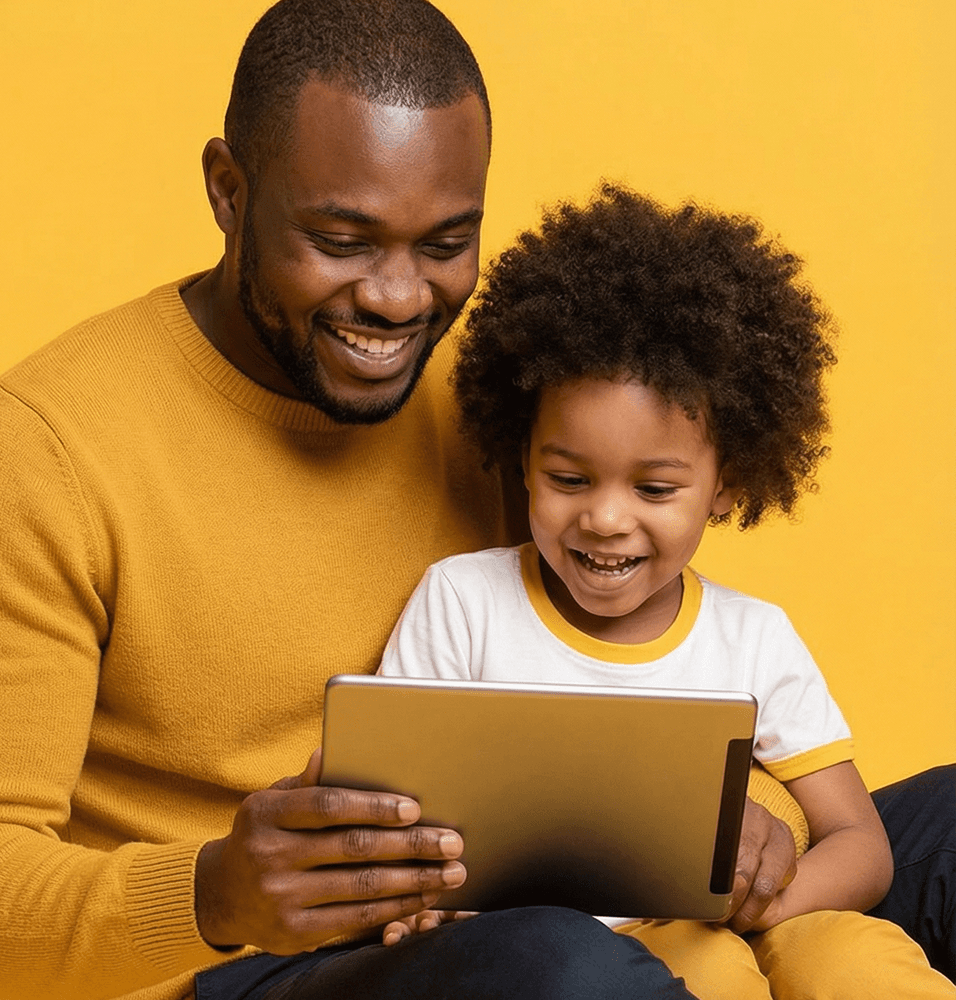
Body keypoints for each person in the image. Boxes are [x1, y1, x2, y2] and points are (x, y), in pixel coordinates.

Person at [0, 0, 949, 1000]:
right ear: (229, 190)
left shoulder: (509, 405)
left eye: (446, 244)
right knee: (556, 968)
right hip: (260, 966)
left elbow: (643, 649)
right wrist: (216, 889)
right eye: (341, 241)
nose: (399, 299)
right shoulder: (42, 452)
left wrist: (739, 812)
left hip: (567, 893)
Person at [377, 185, 956, 996]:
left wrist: (763, 900)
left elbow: (860, 842)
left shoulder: (749, 639)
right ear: (521, 456)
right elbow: (392, 815)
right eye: (568, 477)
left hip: (725, 929)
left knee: (851, 960)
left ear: (728, 484)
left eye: (655, 490)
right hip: (546, 961)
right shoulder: (464, 603)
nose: (606, 519)